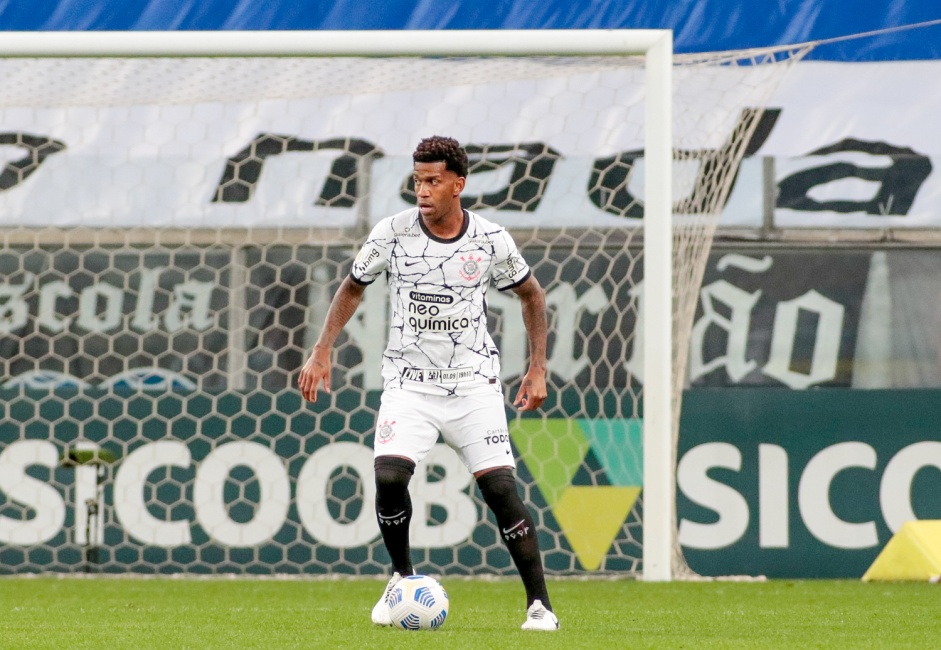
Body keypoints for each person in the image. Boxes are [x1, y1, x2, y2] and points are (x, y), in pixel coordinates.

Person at [298, 135, 559, 631]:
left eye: (433, 181)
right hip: (409, 384)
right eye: (418, 180)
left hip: (472, 386)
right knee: (390, 478)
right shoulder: (391, 233)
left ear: (458, 184)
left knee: (502, 490)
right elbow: (353, 286)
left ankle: (540, 607)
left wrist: (537, 367)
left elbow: (532, 294)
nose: (422, 190)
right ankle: (401, 579)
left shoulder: (489, 239)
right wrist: (322, 349)